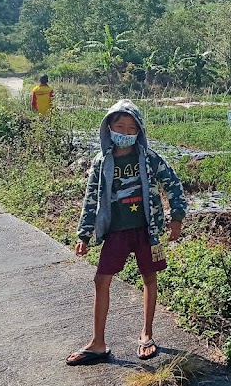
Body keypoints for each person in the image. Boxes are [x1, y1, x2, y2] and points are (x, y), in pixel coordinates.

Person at [66, 99, 187, 364]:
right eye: (119, 126)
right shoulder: (102, 162)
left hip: (147, 229)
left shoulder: (149, 158)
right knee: (101, 280)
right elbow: (92, 197)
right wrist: (84, 234)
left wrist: (176, 217)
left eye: (132, 128)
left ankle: (147, 334)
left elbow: (173, 184)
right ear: (109, 127)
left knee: (149, 278)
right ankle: (98, 343)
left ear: (139, 131)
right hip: (116, 231)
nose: (125, 132)